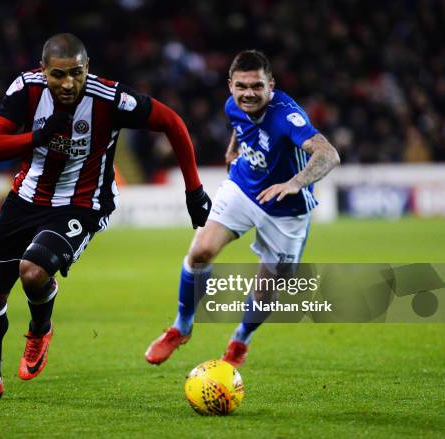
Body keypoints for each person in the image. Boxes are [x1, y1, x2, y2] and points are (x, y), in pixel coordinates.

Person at [0, 33, 212, 402]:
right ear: (43, 71)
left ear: (87, 68)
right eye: (58, 74)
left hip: (82, 204)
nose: (68, 83)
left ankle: (40, 329)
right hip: (25, 199)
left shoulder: (110, 99)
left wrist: (194, 190)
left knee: (32, 270)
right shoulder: (25, 89)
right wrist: (38, 135)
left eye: (76, 72)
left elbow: (172, 122)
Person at [145, 50, 340, 367]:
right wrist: (234, 147)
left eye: (257, 86)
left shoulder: (287, 116)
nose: (248, 93)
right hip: (243, 187)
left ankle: (240, 339)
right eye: (242, 86)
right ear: (230, 85)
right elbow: (242, 122)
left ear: (271, 85)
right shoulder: (232, 104)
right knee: (200, 252)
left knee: (268, 288)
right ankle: (180, 327)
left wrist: (294, 183)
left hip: (285, 209)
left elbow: (328, 154)